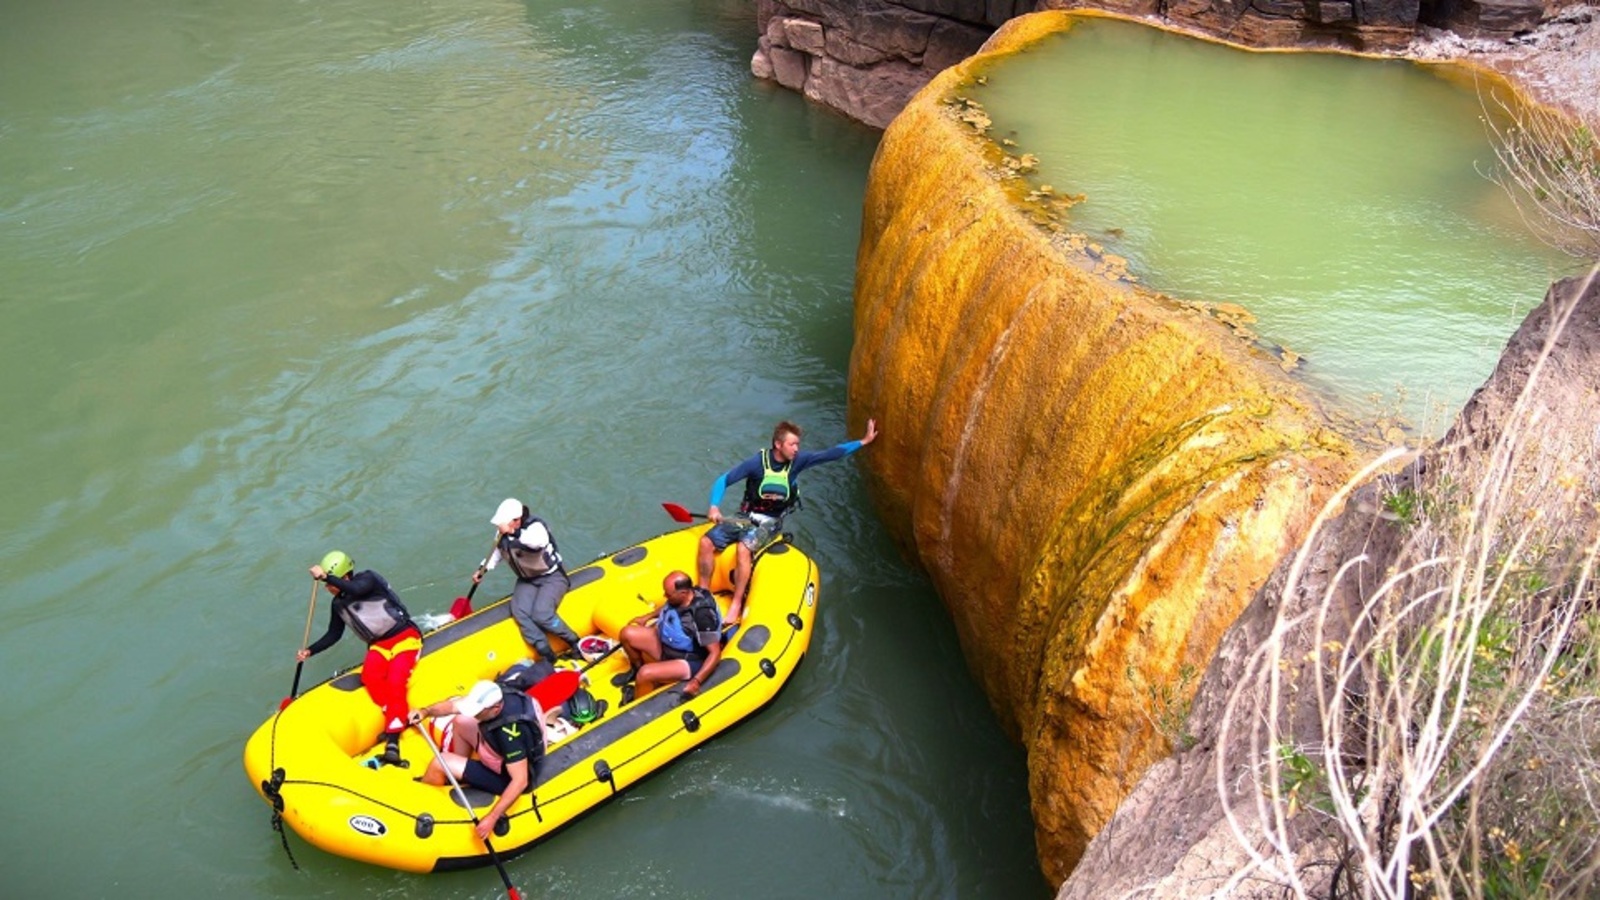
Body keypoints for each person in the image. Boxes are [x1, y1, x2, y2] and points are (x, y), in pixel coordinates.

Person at [698, 418, 879, 622]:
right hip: (746, 516)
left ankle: (737, 602)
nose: (796, 449)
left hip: (771, 521)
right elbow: (724, 480)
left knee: (743, 548)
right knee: (706, 542)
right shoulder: (756, 464)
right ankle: (703, 593)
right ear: (778, 444)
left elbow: (831, 454)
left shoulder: (798, 461)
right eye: (792, 444)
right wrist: (714, 506)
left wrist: (863, 441)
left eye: (797, 444)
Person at [298, 550, 421, 767]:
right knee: (370, 677)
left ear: (344, 576)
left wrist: (325, 575)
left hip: (405, 638)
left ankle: (392, 740)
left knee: (395, 680)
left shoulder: (368, 580)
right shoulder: (338, 604)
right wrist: (310, 650)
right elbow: (333, 634)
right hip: (379, 645)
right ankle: (395, 714)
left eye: (330, 583)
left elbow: (356, 589)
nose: (328, 589)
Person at [413, 681, 547, 841]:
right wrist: (426, 712)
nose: (474, 714)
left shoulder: (508, 733)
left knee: (440, 762)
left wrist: (492, 818)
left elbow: (520, 781)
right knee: (460, 721)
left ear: (495, 709)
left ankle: (427, 804)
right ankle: (457, 776)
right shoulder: (497, 697)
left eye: (478, 712)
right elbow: (452, 707)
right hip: (498, 751)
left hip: (507, 777)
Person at [476, 498, 582, 663]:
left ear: (517, 520)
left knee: (542, 614)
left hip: (552, 577)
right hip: (527, 579)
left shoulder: (535, 528)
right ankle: (544, 650)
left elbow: (538, 542)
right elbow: (495, 555)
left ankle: (575, 642)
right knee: (520, 611)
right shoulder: (502, 533)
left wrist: (513, 532)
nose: (500, 527)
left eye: (505, 523)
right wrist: (482, 569)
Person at [615, 571, 725, 704]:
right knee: (627, 634)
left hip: (689, 659)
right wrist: (648, 617)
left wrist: (696, 681)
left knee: (645, 673)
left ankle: (639, 702)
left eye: (668, 594)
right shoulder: (681, 597)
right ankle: (636, 671)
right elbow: (668, 607)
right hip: (667, 647)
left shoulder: (701, 616)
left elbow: (715, 653)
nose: (664, 596)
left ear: (683, 593)